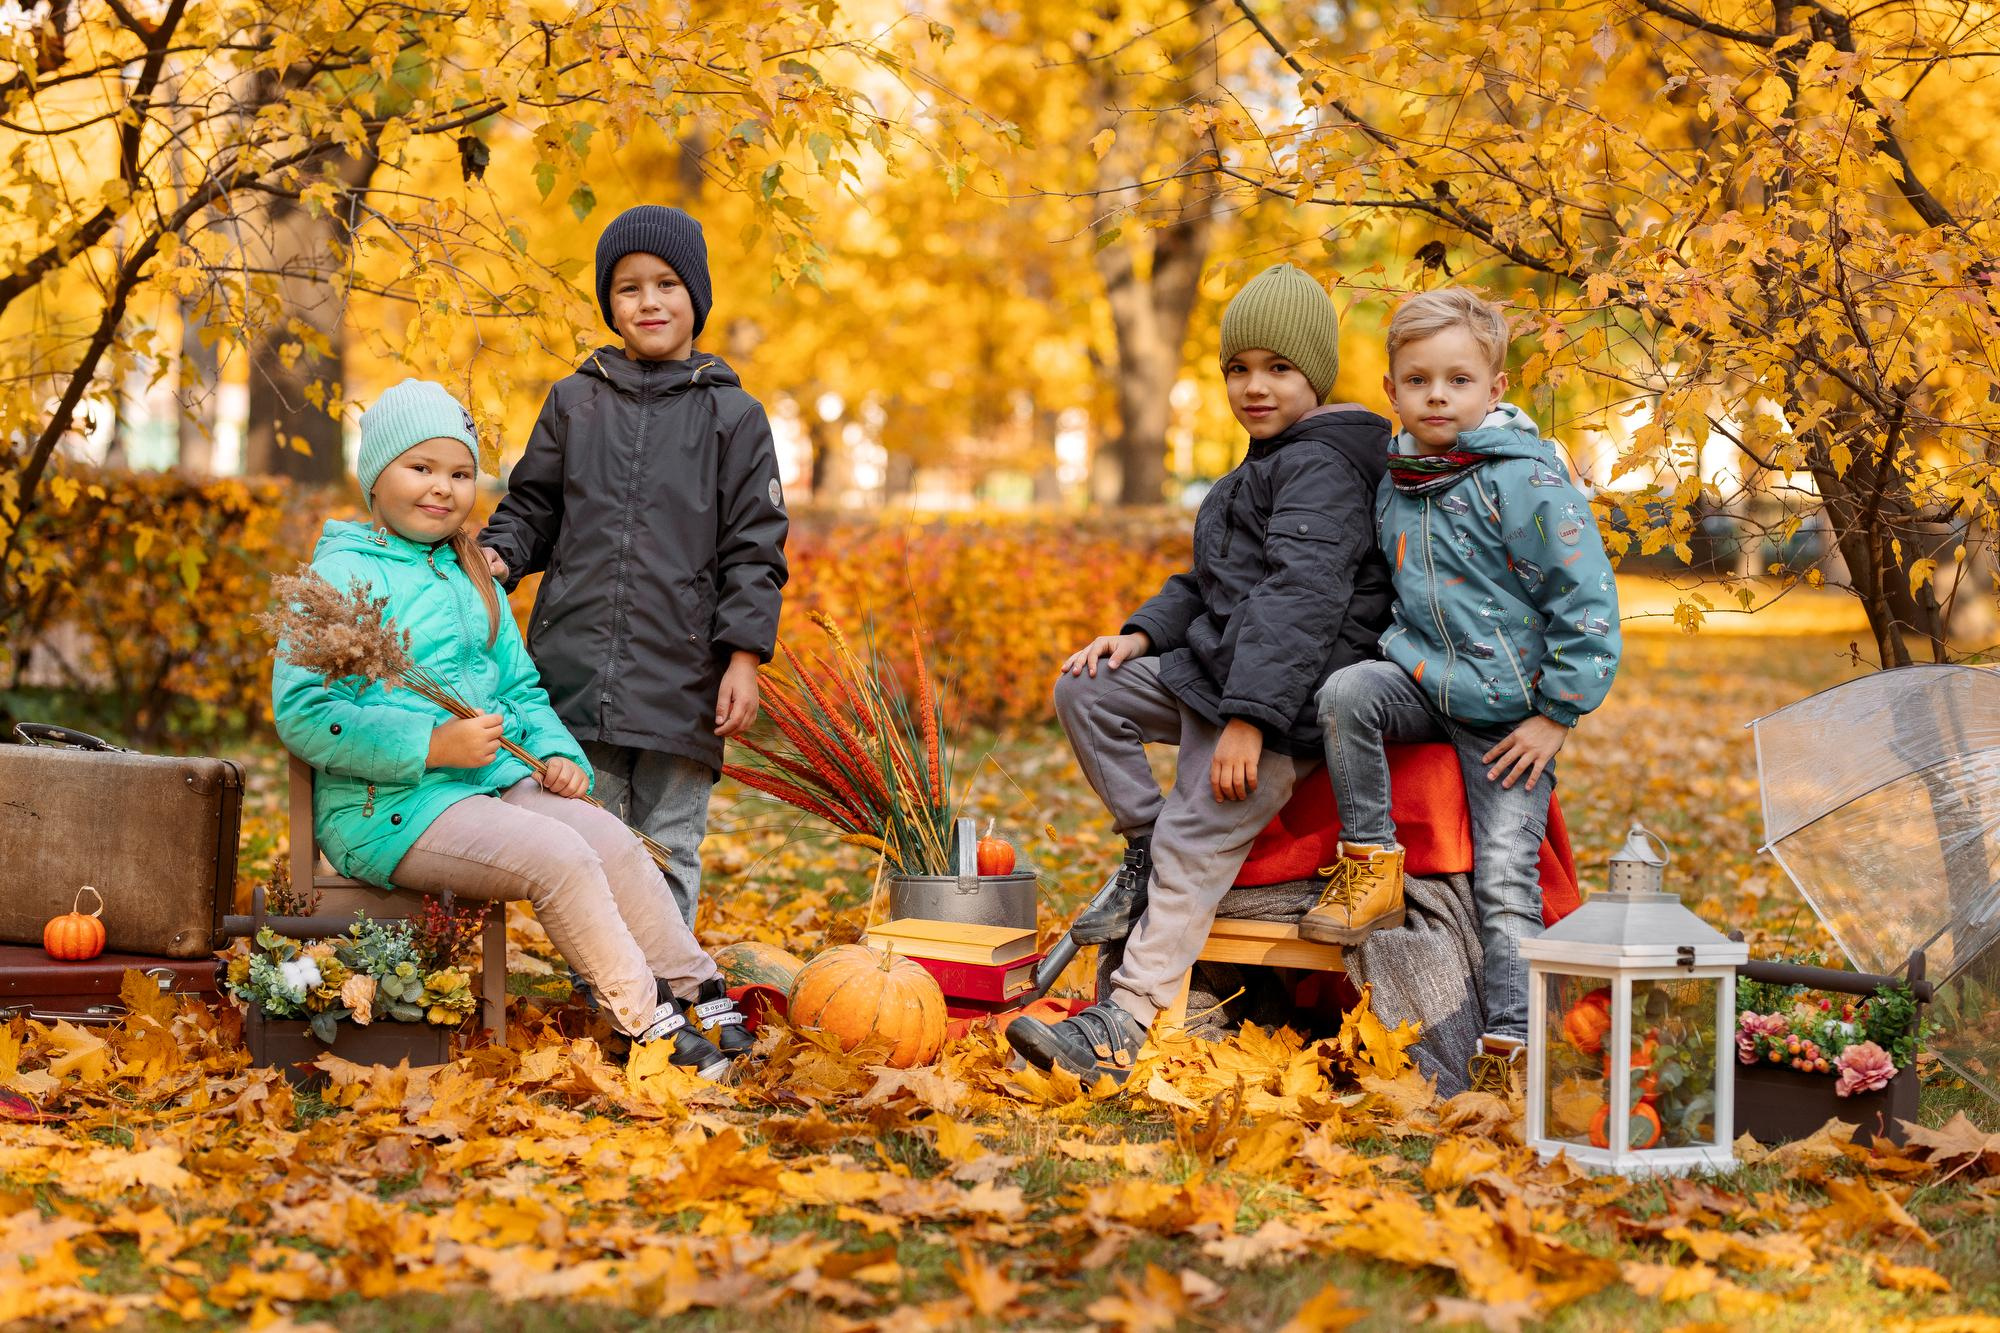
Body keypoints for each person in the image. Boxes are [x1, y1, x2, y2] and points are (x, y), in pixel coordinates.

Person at [273, 380, 751, 1080]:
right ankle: (646, 1020)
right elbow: (306, 713)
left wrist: (556, 753)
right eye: (421, 468)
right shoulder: (342, 573)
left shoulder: (474, 572)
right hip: (388, 810)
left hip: (488, 786)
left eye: (461, 473)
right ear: (376, 474)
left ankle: (691, 982)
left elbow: (519, 687)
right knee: (559, 855)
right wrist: (430, 746)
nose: (443, 489)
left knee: (610, 838)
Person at [1005, 263, 1395, 1085]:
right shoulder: (1257, 466)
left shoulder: (1322, 469)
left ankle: (1125, 1020)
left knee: (1196, 828)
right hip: (1220, 674)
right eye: (1238, 369)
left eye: (1279, 369)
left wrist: (1250, 719)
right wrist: (1139, 637)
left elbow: (1299, 598)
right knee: (1087, 687)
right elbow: (1206, 585)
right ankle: (1144, 847)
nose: (1255, 386)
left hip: (1284, 703)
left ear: (1316, 376)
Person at [1305, 287, 1621, 1093]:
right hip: (1423, 683)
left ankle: (1510, 1041)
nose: (1437, 395)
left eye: (1457, 380)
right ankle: (1370, 863)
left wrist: (1557, 715)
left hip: (1511, 717)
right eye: (1418, 381)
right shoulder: (1398, 478)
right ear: (1392, 392)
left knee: (1504, 877)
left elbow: (1586, 600)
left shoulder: (1526, 480)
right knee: (1347, 693)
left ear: (1495, 389)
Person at [479, 204, 788, 929]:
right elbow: (533, 504)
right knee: (590, 840)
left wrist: (743, 656)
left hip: (683, 679)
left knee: (667, 846)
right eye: (628, 287)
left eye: (666, 284)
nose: (648, 301)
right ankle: (611, 993)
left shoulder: (733, 418)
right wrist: (500, 553)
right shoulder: (575, 401)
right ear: (610, 304)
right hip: (576, 667)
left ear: (697, 299)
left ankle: (667, 989)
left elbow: (755, 546)